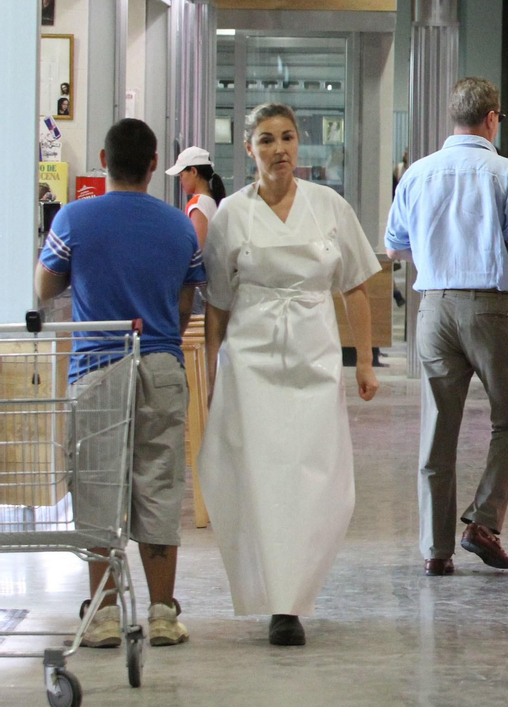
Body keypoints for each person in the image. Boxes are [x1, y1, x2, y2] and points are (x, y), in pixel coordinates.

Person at [200, 103, 382, 646]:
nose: (278, 149)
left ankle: (298, 590)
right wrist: (211, 374)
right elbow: (217, 305)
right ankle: (280, 604)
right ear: (249, 149)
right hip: (251, 363)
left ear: (299, 145)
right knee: (257, 477)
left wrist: (365, 362)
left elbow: (354, 286)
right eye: (266, 140)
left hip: (315, 358)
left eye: (287, 138)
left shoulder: (329, 206)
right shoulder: (231, 214)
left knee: (316, 480)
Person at [35, 118, 206, 649]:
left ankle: (105, 614)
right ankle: (160, 612)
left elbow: (44, 287)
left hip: (96, 366)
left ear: (104, 162)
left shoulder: (73, 217)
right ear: (155, 165)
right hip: (159, 363)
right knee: (158, 481)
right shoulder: (180, 226)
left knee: (98, 486)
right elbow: (185, 303)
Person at [386, 78, 508, 577]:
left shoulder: (417, 173)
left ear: (453, 117)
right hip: (490, 308)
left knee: (439, 430)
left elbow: (394, 245)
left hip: (433, 309)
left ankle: (436, 550)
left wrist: (434, 261)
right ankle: (483, 520)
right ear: (493, 118)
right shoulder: (507, 173)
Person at [168, 145, 227, 251]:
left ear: (194, 171)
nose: (180, 181)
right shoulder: (212, 200)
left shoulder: (197, 203)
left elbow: (197, 250)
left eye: (181, 175)